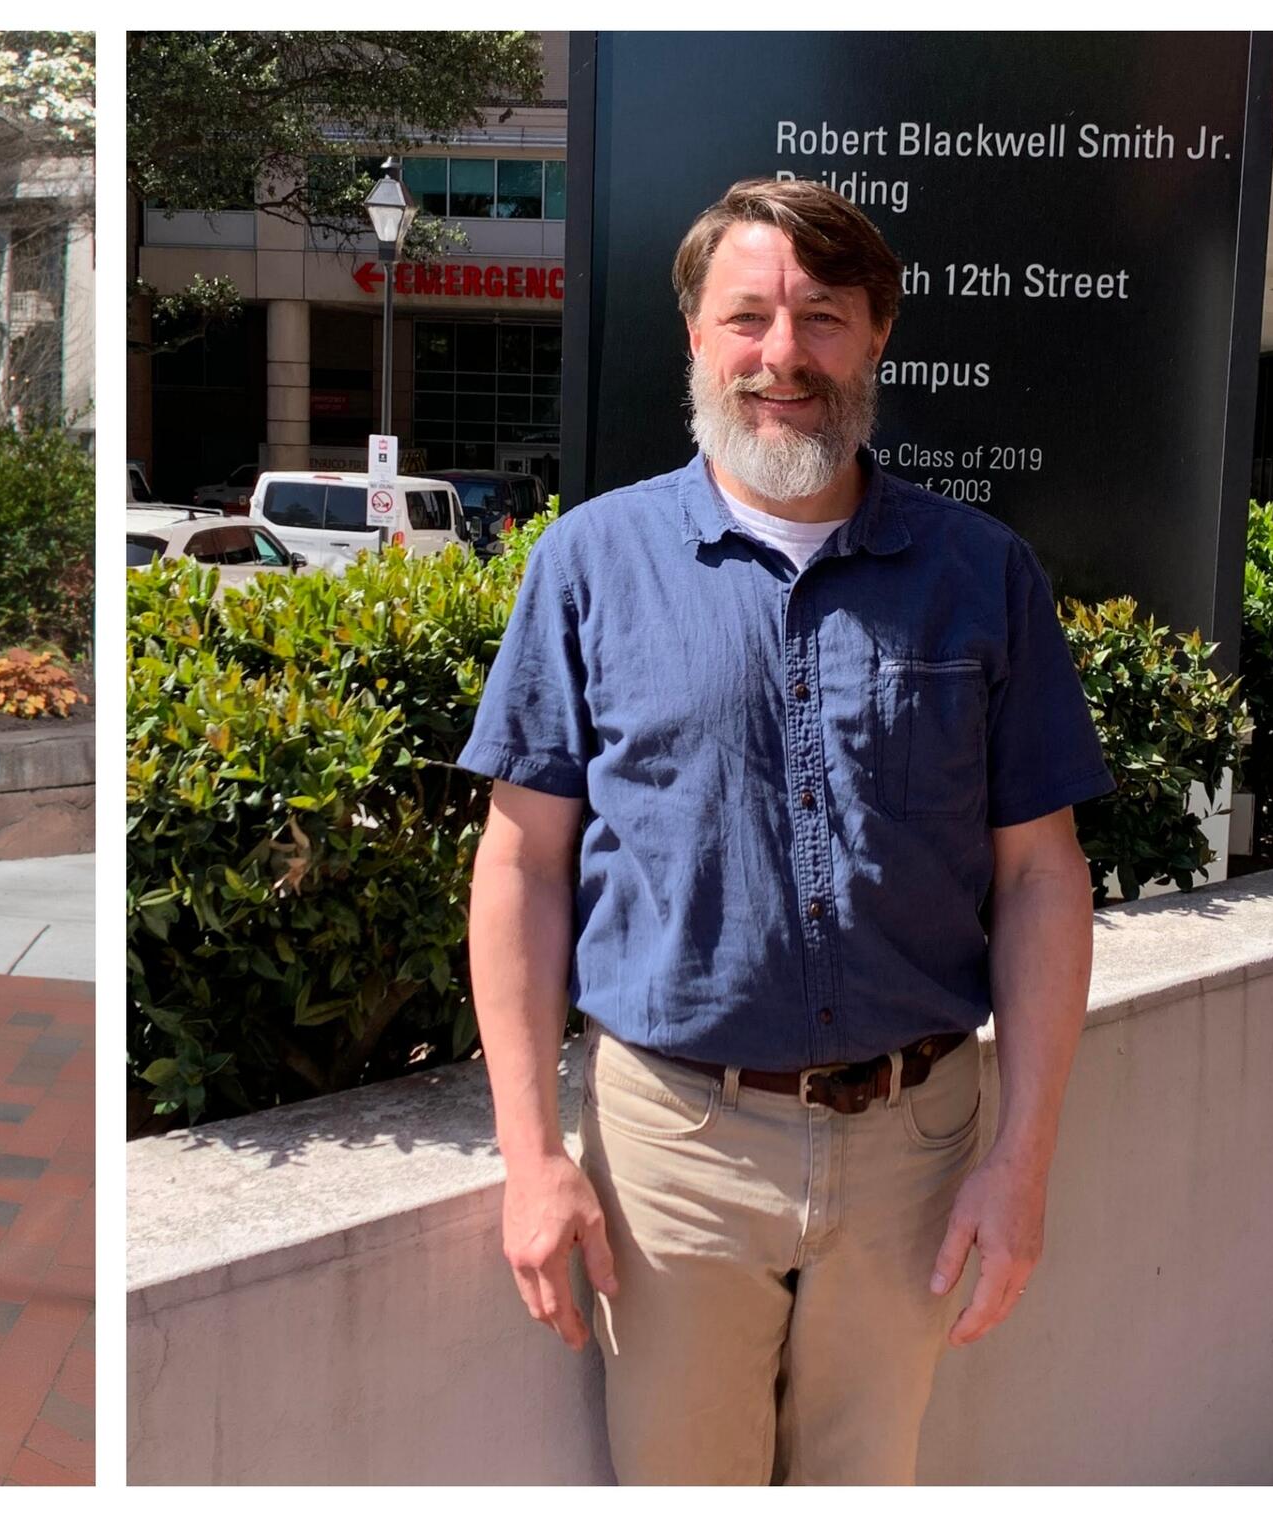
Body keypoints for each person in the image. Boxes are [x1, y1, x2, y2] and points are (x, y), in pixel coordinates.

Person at [458, 178, 1110, 1484]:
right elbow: (521, 864)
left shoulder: (982, 574)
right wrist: (531, 1158)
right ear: (697, 336)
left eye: (822, 317)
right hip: (674, 1158)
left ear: (876, 337)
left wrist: (1023, 1161)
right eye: (747, 315)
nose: (783, 355)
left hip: (920, 1151)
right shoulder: (589, 565)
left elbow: (1043, 875)